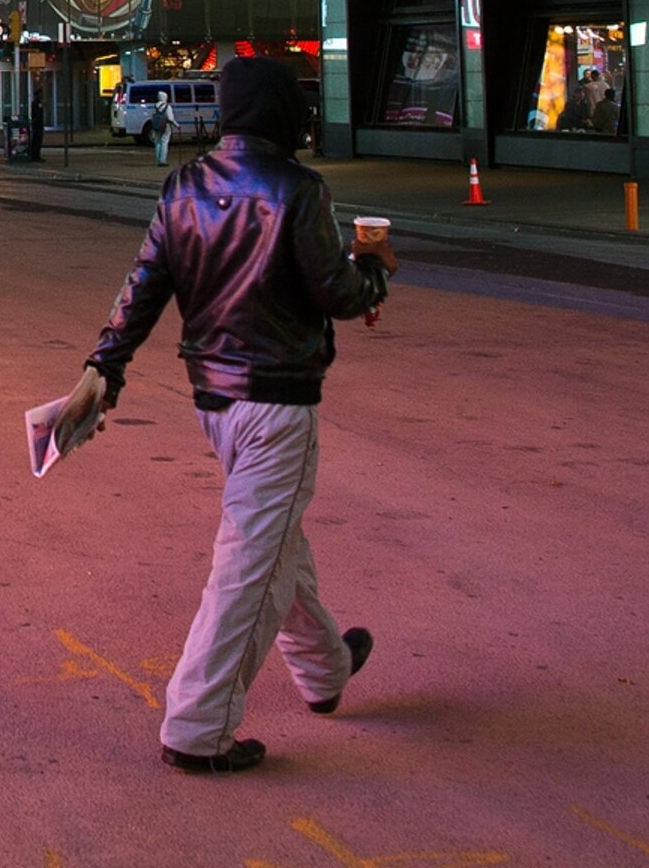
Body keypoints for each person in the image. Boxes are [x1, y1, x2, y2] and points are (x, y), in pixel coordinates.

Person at [48, 55, 395, 775]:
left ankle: (326, 670)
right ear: (282, 113)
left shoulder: (184, 187)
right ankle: (197, 725)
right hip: (280, 404)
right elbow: (337, 292)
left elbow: (143, 285)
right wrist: (377, 268)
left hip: (214, 402)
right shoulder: (299, 190)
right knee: (250, 561)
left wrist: (102, 367)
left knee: (271, 542)